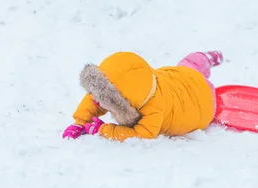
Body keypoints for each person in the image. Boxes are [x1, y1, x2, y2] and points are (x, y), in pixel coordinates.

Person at [62, 50, 224, 141]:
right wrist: (80, 122)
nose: (95, 101)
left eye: (102, 99)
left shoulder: (154, 110)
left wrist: (103, 130)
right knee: (188, 66)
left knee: (187, 72)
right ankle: (205, 58)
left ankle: (205, 61)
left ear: (125, 103)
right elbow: (97, 96)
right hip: (181, 76)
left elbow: (142, 134)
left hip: (207, 104)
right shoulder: (143, 83)